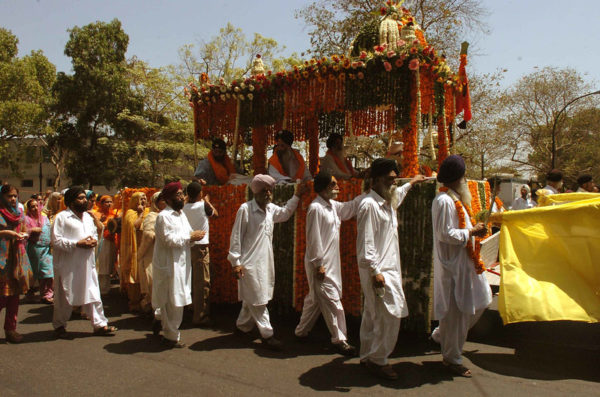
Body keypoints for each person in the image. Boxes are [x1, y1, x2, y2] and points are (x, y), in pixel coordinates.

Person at [356, 159, 425, 379]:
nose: (394, 184)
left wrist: (412, 182)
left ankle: (367, 355)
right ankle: (378, 360)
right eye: (390, 179)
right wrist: (375, 271)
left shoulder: (389, 200)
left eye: (395, 180)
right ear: (376, 180)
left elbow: (399, 194)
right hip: (378, 271)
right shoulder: (369, 205)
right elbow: (366, 242)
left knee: (372, 313)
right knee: (391, 314)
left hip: (387, 269)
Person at [228, 174, 308, 350]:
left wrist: (297, 195)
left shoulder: (271, 209)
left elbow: (286, 213)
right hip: (249, 264)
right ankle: (267, 335)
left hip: (265, 263)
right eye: (264, 191)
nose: (268, 194)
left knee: (252, 299)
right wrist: (236, 262)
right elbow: (236, 237)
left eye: (270, 190)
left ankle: (242, 327)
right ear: (255, 192)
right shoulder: (245, 209)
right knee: (259, 301)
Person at [430, 155, 492, 378]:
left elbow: (459, 229)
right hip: (453, 267)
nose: (466, 179)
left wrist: (475, 229)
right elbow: (445, 234)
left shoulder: (455, 199)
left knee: (481, 300)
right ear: (458, 177)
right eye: (464, 175)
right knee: (457, 314)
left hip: (466, 264)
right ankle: (452, 359)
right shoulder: (444, 201)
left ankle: (442, 336)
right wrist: (471, 232)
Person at [294, 172, 361, 356]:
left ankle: (300, 332)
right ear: (324, 187)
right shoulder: (316, 208)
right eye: (333, 184)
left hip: (332, 262)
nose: (337, 187)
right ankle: (340, 340)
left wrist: (368, 193)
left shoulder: (332, 206)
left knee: (315, 299)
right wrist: (318, 264)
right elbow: (313, 238)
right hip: (320, 263)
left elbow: (350, 208)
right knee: (332, 301)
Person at [51, 186, 117, 338]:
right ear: (71, 201)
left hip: (87, 263)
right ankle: (60, 325)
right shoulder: (61, 217)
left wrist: (93, 240)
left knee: (93, 293)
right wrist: (76, 244)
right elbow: (56, 241)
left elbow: (94, 233)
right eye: (80, 198)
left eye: (84, 198)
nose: (84, 201)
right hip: (68, 264)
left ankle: (100, 325)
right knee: (65, 295)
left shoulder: (88, 217)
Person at [152, 182, 205, 348]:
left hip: (181, 263)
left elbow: (186, 235)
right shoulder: (163, 217)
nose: (182, 197)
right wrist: (190, 238)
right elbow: (169, 240)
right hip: (168, 265)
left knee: (178, 297)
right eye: (178, 195)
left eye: (182, 194)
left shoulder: (181, 215)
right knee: (170, 299)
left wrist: (194, 236)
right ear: (167, 199)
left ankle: (162, 322)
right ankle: (170, 335)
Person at [0, 185, 32, 343]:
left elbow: (26, 230)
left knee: (14, 296)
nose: (12, 199)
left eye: (14, 196)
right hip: (2, 261)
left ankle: (10, 329)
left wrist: (24, 234)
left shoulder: (19, 215)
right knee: (2, 297)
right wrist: (5, 233)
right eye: (8, 196)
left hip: (17, 260)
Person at [182, 182, 217, 326]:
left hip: (187, 246)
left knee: (189, 280)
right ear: (200, 194)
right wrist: (207, 201)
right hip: (200, 247)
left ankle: (190, 307)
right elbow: (215, 214)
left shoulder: (183, 207)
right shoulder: (203, 205)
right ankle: (200, 315)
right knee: (202, 282)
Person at [137, 192, 166, 313]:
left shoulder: (170, 215)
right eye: (162, 200)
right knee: (152, 285)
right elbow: (149, 235)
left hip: (163, 256)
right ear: (156, 202)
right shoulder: (152, 216)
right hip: (151, 256)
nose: (165, 202)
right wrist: (140, 254)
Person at [120, 192, 148, 312]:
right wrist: (140, 214)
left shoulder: (148, 212)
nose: (143, 201)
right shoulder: (130, 214)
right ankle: (134, 303)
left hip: (145, 248)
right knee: (134, 275)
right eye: (141, 198)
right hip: (134, 249)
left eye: (145, 198)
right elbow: (135, 226)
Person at [25, 198, 54, 304]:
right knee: (36, 272)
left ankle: (47, 294)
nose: (35, 208)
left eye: (37, 205)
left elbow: (50, 230)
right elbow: (22, 232)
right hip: (34, 249)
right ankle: (31, 292)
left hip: (47, 249)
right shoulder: (26, 219)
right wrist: (31, 230)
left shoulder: (45, 218)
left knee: (48, 272)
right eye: (32, 206)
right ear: (28, 209)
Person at [92, 195, 118, 295]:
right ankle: (98, 289)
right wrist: (101, 222)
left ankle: (105, 289)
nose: (108, 204)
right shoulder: (96, 214)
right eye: (106, 202)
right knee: (101, 264)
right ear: (101, 204)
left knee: (108, 265)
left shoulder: (114, 215)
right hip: (101, 241)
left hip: (111, 242)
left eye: (110, 202)